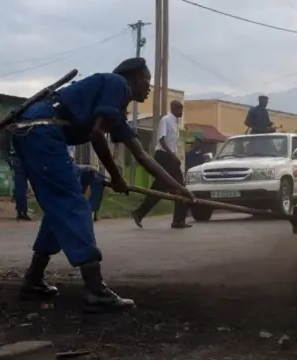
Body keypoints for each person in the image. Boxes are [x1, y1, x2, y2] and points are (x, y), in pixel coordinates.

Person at [11, 57, 194, 313]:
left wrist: (177, 187)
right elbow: (96, 134)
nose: (149, 88)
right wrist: (118, 177)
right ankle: (95, 290)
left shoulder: (115, 108)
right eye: (147, 80)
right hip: (41, 131)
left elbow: (141, 155)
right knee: (73, 205)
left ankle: (33, 280)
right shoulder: (117, 83)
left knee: (66, 198)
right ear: (133, 78)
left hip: (35, 132)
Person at [132, 100, 192, 229]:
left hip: (169, 157)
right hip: (164, 156)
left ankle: (140, 213)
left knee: (161, 188)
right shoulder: (166, 120)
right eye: (178, 108)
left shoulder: (176, 124)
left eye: (182, 108)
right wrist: (173, 156)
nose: (181, 111)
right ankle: (178, 220)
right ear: (172, 108)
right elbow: (162, 140)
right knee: (181, 188)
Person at [8, 145, 31, 221]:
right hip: (22, 169)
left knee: (20, 190)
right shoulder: (24, 145)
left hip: (19, 170)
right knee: (21, 191)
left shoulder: (15, 145)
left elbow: (10, 158)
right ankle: (22, 212)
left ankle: (20, 212)